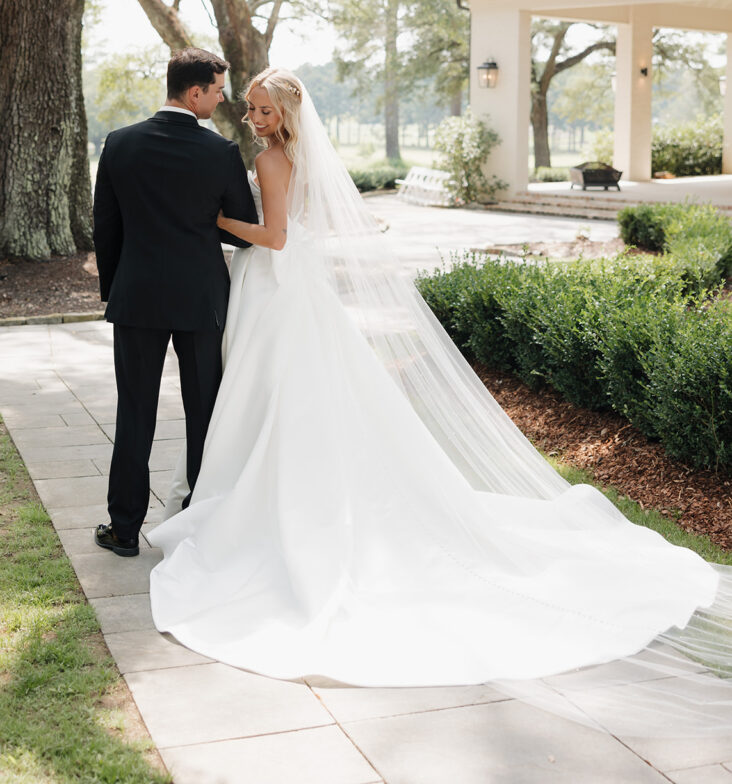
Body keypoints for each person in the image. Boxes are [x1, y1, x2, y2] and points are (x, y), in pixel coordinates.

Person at [148, 68, 732, 736]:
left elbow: (276, 237)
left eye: (257, 110)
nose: (249, 118)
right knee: (295, 397)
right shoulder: (295, 155)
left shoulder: (272, 160)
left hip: (277, 286)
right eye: (248, 109)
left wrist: (217, 220)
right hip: (291, 290)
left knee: (277, 395)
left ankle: (273, 500)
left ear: (280, 116)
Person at [92, 47, 257, 557]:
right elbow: (246, 234)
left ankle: (123, 531)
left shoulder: (119, 144)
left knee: (134, 412)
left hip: (136, 297)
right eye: (216, 91)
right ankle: (196, 526)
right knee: (204, 413)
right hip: (202, 301)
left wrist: (117, 292)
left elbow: (106, 232)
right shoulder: (221, 153)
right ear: (195, 92)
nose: (220, 100)